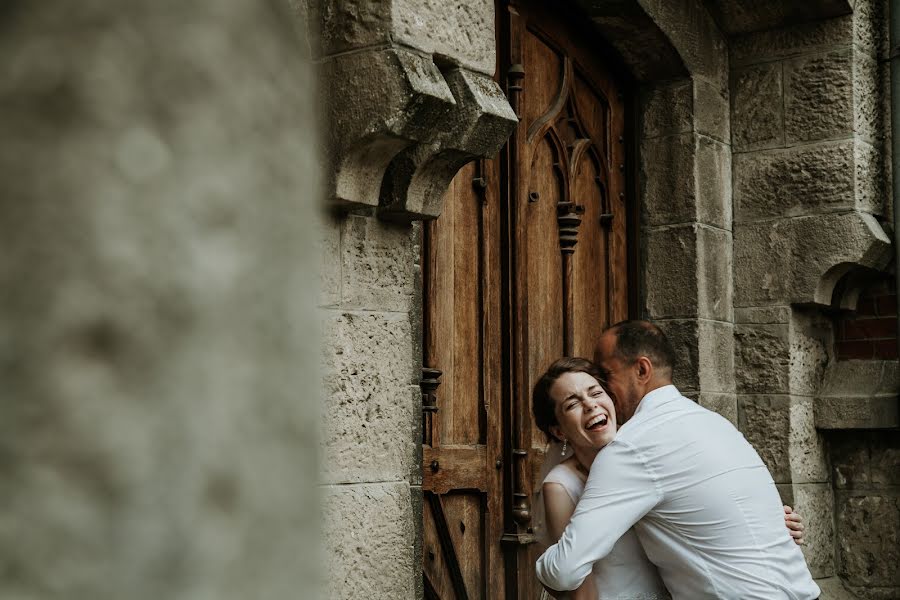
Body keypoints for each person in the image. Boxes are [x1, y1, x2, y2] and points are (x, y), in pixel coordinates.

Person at [535, 321, 820, 599]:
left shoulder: (631, 448)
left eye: (605, 377)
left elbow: (563, 570)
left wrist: (541, 564)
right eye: (573, 402)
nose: (601, 394)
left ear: (642, 369)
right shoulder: (714, 422)